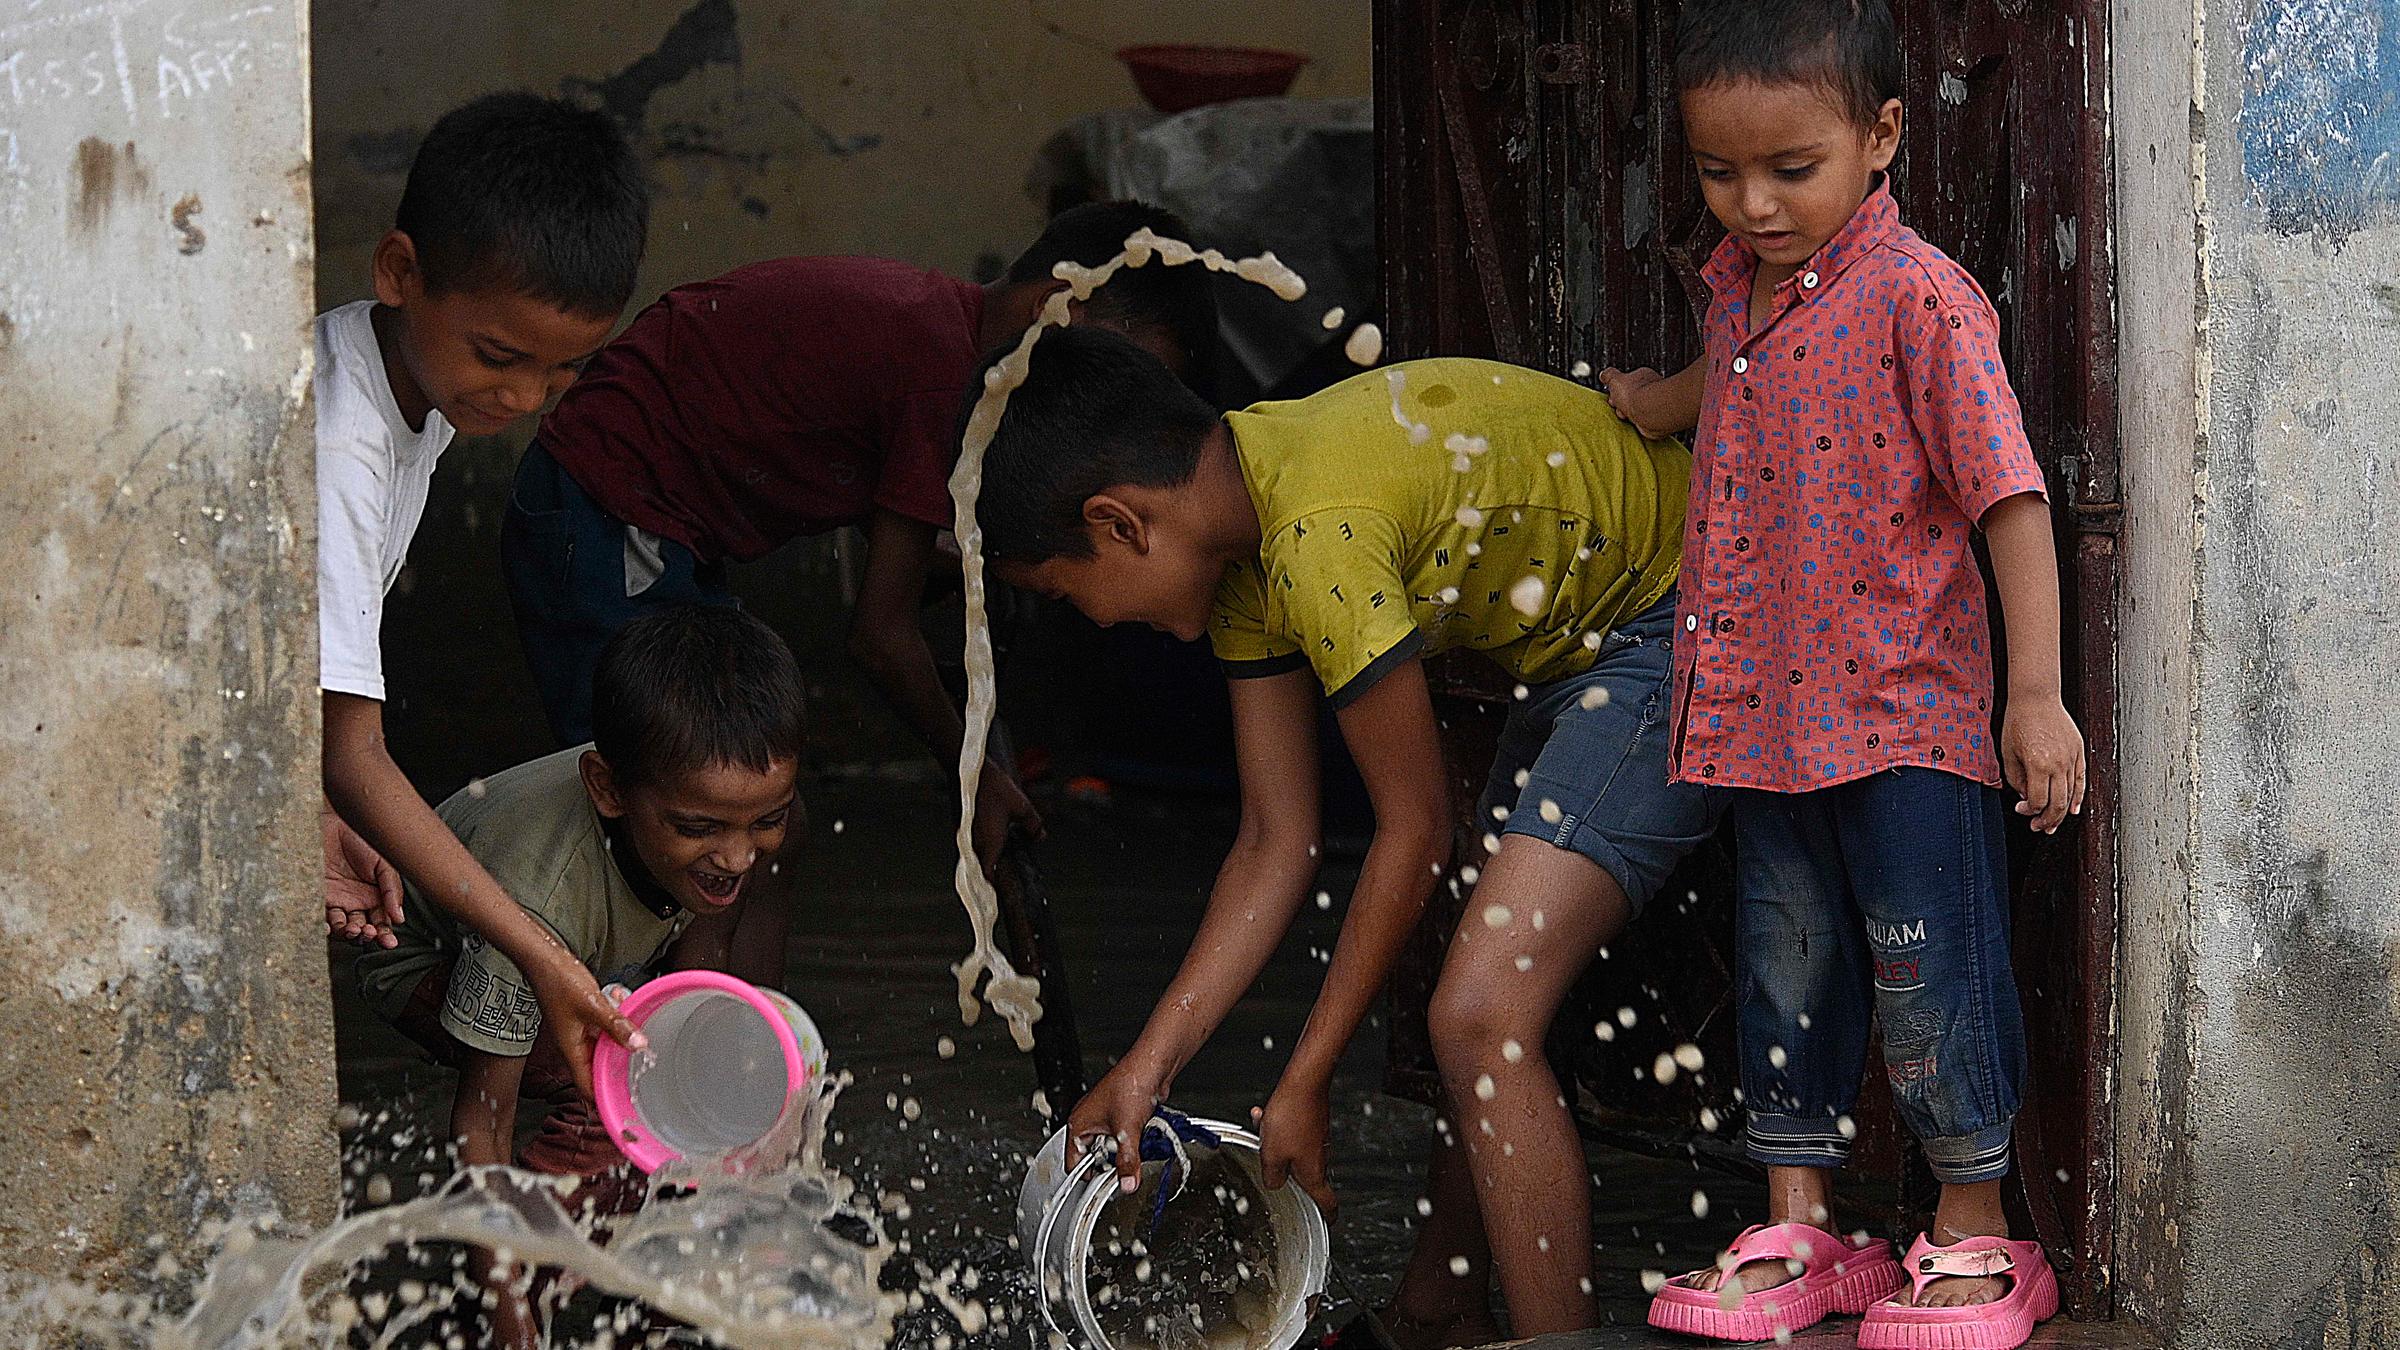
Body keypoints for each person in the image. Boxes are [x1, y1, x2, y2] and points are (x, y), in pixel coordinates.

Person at [975, 325, 1721, 1340]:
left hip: (1692, 616)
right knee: (1476, 997)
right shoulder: (1245, 523)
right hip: (1578, 656)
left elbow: (1415, 831)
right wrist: (1149, 1065)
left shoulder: (1312, 537)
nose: (1097, 624)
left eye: (1072, 596)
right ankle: (1437, 1309)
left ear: (1120, 526)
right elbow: (1274, 841)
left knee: (1476, 1012)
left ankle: (1559, 1341)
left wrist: (1307, 1077)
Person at [1601, 2, 2085, 1343]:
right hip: (1761, 718)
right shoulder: (1739, 287)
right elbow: (1737, 373)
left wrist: (2032, 695)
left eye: (1788, 170)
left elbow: (2010, 498)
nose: (1751, 203)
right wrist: (1653, 405)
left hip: (1903, 714)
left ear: (1880, 138)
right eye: (1717, 172)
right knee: (1786, 964)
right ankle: (1803, 1223)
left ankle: (1975, 1229)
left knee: (1932, 967)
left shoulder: (1920, 297)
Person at [501, 200, 1219, 893]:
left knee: (762, 837)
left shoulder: (936, 331)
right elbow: (880, 636)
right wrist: (974, 778)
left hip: (653, 524)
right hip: (607, 503)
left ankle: (751, 1016)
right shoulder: (944, 385)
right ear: (1053, 308)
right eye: (1098, 368)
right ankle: (624, 1005)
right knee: (659, 819)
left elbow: (882, 520)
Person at [318, 91, 653, 1095]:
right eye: (500, 359)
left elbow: (301, 690)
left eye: (561, 374)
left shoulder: (404, 389)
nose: (520, 398)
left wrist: (309, 808)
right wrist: (542, 953)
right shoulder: (344, 440)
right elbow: (353, 746)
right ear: (401, 273)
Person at [354, 604, 805, 1347]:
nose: (738, 855)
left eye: (766, 819)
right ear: (607, 788)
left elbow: (734, 997)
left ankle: (640, 1209)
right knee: (598, 1081)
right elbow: (481, 1119)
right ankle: (542, 1226)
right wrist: (509, 1317)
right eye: (699, 829)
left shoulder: (747, 812)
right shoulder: (537, 901)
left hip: (597, 943)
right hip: (423, 956)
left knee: (693, 1087)